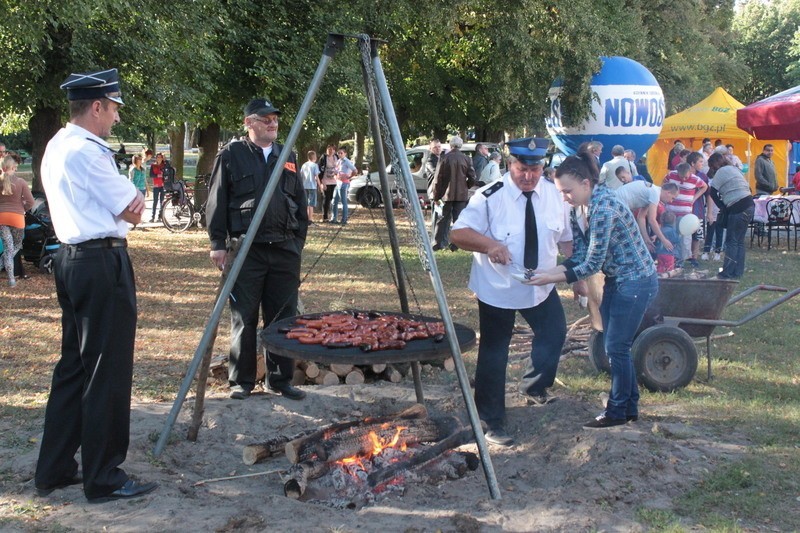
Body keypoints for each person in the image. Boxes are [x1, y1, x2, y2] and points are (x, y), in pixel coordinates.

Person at [35, 68, 156, 502]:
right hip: (100, 261)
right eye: (114, 109)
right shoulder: (88, 150)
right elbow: (134, 209)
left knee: (74, 367)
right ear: (97, 106)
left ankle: (54, 467)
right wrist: (129, 207)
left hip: (70, 260)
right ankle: (103, 476)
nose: (117, 120)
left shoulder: (58, 144)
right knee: (107, 368)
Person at [450, 137, 572, 446]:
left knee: (554, 332)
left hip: (540, 285)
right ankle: (491, 419)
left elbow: (566, 239)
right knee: (494, 351)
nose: (529, 176)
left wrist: (577, 270)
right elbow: (458, 233)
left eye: (535, 168)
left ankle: (534, 386)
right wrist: (490, 245)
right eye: (522, 169)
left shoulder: (555, 195)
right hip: (498, 287)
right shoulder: (490, 197)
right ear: (509, 164)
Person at [529, 142, 658, 429]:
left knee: (616, 347)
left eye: (567, 191)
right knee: (616, 347)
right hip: (618, 280)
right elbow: (580, 254)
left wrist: (549, 277)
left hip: (636, 281)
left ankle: (616, 412)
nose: (564, 197)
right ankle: (629, 407)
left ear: (586, 183)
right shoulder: (580, 209)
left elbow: (591, 264)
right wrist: (547, 272)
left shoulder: (604, 207)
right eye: (561, 192)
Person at [206, 97, 308, 401]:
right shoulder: (232, 155)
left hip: (284, 249)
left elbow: (300, 203)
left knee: (282, 316)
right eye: (265, 119)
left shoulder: (287, 155)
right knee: (244, 316)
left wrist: (298, 242)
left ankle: (280, 380)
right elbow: (217, 200)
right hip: (246, 250)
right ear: (249, 123)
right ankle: (242, 381)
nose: (273, 123)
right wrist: (217, 244)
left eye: (275, 118)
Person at [707, 152, 754, 279]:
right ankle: (737, 272)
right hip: (749, 205)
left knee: (731, 241)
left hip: (738, 206)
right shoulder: (735, 169)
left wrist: (722, 206)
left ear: (714, 164)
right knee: (739, 241)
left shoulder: (721, 172)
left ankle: (726, 272)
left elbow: (712, 192)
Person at [431, 136, 476, 252]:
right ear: (460, 145)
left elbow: (438, 179)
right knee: (459, 220)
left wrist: (436, 196)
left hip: (446, 194)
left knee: (442, 219)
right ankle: (456, 244)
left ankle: (437, 243)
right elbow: (472, 177)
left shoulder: (444, 158)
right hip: (461, 195)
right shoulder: (466, 159)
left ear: (450, 145)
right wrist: (467, 186)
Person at [614, 179, 680, 254]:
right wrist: (664, 240)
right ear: (668, 193)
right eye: (672, 198)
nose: (671, 201)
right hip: (618, 204)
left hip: (618, 203)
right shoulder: (655, 194)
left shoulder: (653, 192)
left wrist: (646, 239)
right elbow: (652, 220)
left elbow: (641, 217)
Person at [663, 162, 707, 267]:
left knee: (684, 237)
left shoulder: (695, 179)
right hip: (671, 211)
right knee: (671, 235)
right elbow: (664, 182)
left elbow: (704, 187)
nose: (683, 179)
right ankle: (671, 258)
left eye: (685, 177)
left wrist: (694, 198)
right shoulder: (671, 175)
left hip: (685, 213)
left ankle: (681, 260)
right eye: (681, 177)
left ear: (690, 172)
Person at [0, 153, 35, 287]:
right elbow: (31, 202)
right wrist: (23, 209)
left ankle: (11, 280)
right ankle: (10, 277)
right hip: (17, 219)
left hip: (1, 218)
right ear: (14, 167)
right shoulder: (21, 182)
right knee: (16, 246)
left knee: (8, 248)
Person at [330, 147, 357, 224]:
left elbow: (355, 170)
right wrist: (336, 176)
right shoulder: (338, 161)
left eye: (341, 153)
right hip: (338, 183)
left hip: (344, 183)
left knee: (343, 201)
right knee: (334, 201)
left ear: (345, 154)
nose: (339, 154)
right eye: (338, 153)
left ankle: (344, 219)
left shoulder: (347, 161)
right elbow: (335, 172)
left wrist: (349, 176)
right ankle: (334, 218)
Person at [318, 145, 338, 222]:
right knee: (326, 198)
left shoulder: (336, 157)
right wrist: (322, 183)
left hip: (335, 181)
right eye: (328, 149)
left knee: (333, 199)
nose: (330, 151)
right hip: (326, 180)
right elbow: (319, 170)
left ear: (334, 151)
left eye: (332, 150)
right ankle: (325, 216)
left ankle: (333, 216)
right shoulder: (323, 158)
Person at [301, 151, 321, 224]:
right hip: (312, 186)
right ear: (314, 157)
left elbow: (301, 175)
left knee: (306, 203)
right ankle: (310, 219)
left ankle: (305, 219)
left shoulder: (304, 165)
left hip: (304, 186)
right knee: (311, 204)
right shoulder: (315, 165)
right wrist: (320, 186)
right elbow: (316, 177)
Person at [149, 152, 167, 222]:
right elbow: (151, 175)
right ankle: (153, 217)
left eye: (160, 157)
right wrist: (157, 176)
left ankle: (160, 216)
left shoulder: (164, 165)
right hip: (156, 185)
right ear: (156, 158)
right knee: (155, 201)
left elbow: (167, 173)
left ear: (162, 158)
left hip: (163, 186)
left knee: (162, 202)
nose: (159, 158)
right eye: (157, 157)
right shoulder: (153, 165)